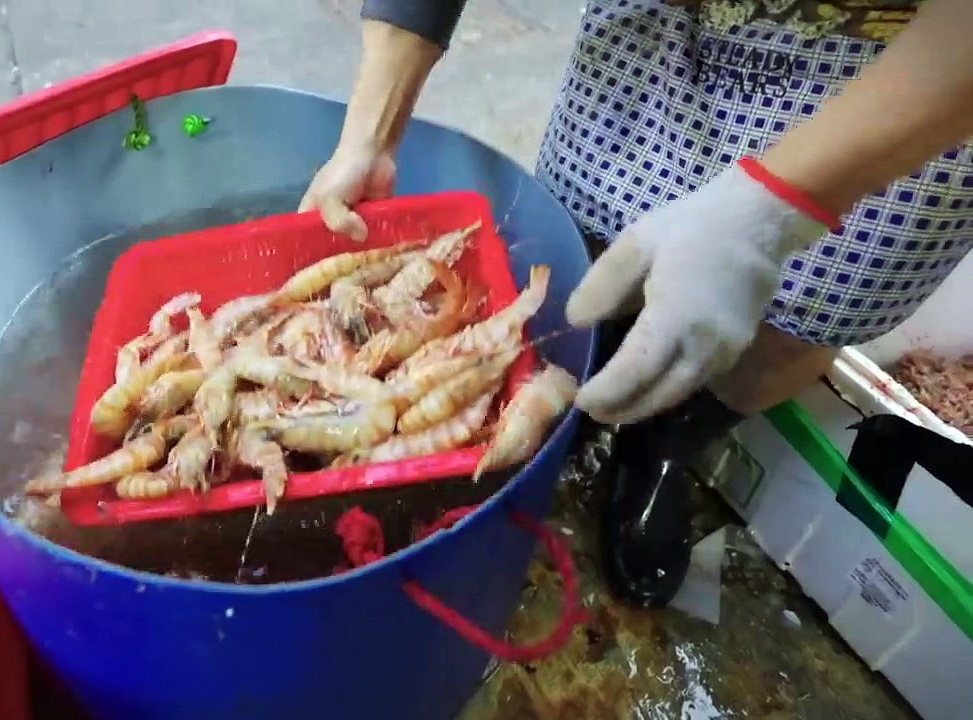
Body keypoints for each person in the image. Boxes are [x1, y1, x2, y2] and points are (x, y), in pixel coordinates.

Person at [301, 0, 973, 606]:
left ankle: (667, 440)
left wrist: (775, 213)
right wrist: (371, 133)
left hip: (913, 76)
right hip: (660, 40)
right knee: (588, 254)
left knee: (816, 300)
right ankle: (571, 403)